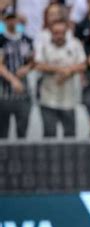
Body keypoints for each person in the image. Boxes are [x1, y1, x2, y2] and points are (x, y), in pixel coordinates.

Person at [0, 10, 34, 139]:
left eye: (14, 18)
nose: (12, 22)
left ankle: (21, 159)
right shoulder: (1, 40)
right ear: (4, 20)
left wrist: (27, 67)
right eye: (9, 19)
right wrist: (13, 80)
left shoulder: (26, 39)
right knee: (3, 132)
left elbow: (33, 60)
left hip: (23, 94)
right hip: (4, 94)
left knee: (22, 132)